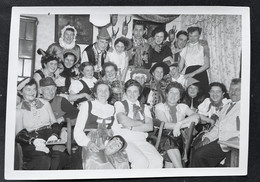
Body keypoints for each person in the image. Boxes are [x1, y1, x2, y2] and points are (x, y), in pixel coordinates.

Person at [15, 78, 68, 170]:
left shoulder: (45, 103)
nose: (32, 92)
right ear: (20, 92)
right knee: (44, 159)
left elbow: (54, 123)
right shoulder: (18, 110)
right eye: (28, 89)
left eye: (34, 89)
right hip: (32, 141)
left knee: (60, 157)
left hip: (49, 138)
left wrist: (55, 135)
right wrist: (33, 141)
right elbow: (19, 135)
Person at [74, 81, 129, 169]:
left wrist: (116, 144)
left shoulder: (112, 108)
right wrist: (88, 143)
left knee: (122, 162)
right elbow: (78, 130)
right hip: (92, 141)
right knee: (101, 164)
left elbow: (116, 130)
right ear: (95, 94)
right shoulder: (87, 105)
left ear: (109, 93)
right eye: (100, 90)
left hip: (110, 142)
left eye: (106, 90)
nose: (103, 93)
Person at [112, 79, 163, 169]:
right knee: (141, 161)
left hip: (141, 140)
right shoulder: (119, 104)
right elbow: (123, 121)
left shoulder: (145, 107)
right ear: (125, 92)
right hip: (125, 140)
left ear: (139, 93)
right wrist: (141, 122)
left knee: (157, 160)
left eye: (135, 91)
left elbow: (149, 126)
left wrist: (131, 127)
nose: (132, 94)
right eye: (129, 91)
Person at [191, 78, 241, 167]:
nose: (233, 92)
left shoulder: (244, 107)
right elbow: (218, 126)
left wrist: (236, 139)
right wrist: (208, 138)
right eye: (232, 89)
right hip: (221, 142)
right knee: (198, 153)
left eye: (237, 90)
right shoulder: (227, 106)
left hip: (232, 145)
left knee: (200, 155)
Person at [154, 82, 200, 168]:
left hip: (178, 138)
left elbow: (196, 115)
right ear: (167, 94)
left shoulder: (183, 107)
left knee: (170, 148)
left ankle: (178, 173)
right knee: (168, 139)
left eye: (176, 93)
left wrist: (179, 124)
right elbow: (165, 125)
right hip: (161, 137)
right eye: (171, 92)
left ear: (179, 97)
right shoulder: (159, 107)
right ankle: (180, 171)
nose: (173, 95)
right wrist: (183, 125)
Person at [191, 82, 231, 152]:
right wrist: (207, 120)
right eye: (212, 91)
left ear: (223, 94)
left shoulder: (228, 104)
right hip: (210, 132)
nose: (215, 94)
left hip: (223, 135)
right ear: (209, 93)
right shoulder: (207, 102)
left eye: (218, 92)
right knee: (197, 144)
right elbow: (198, 115)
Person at [179, 27, 210, 93]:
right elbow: (181, 66)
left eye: (195, 36)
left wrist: (193, 73)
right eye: (190, 36)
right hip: (188, 73)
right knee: (190, 96)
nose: (192, 38)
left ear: (199, 35)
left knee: (202, 95)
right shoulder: (185, 48)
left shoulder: (204, 46)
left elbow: (207, 65)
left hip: (201, 73)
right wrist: (177, 75)